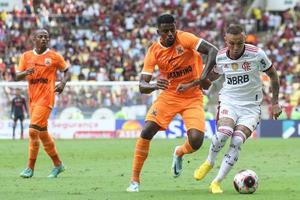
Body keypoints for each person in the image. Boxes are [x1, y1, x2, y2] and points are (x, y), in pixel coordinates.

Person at [179, 24, 282, 194]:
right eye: (231, 43)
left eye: (239, 43)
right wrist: (192, 85)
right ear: (225, 40)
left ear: (245, 39)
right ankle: (209, 162)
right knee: (224, 133)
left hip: (251, 107)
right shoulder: (220, 57)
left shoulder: (256, 54)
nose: (235, 48)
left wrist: (275, 102)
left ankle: (216, 182)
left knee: (237, 141)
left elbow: (273, 75)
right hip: (229, 101)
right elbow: (212, 76)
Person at [126, 14, 218, 192]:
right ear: (158, 31)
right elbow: (142, 86)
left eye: (172, 29)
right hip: (170, 95)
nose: (170, 33)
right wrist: (153, 85)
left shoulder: (185, 38)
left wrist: (203, 78)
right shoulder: (153, 51)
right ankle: (134, 181)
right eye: (165, 30)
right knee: (146, 131)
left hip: (192, 96)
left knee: (196, 141)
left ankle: (179, 152)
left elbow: (213, 51)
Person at [15, 29, 70, 178]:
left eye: (46, 37)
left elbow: (67, 70)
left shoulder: (54, 57)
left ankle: (30, 168)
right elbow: (17, 76)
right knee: (43, 134)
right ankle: (58, 165)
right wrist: (26, 72)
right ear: (34, 39)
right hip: (33, 100)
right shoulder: (26, 56)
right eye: (41, 36)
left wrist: (63, 83)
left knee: (33, 131)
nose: (44, 39)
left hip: (47, 99)